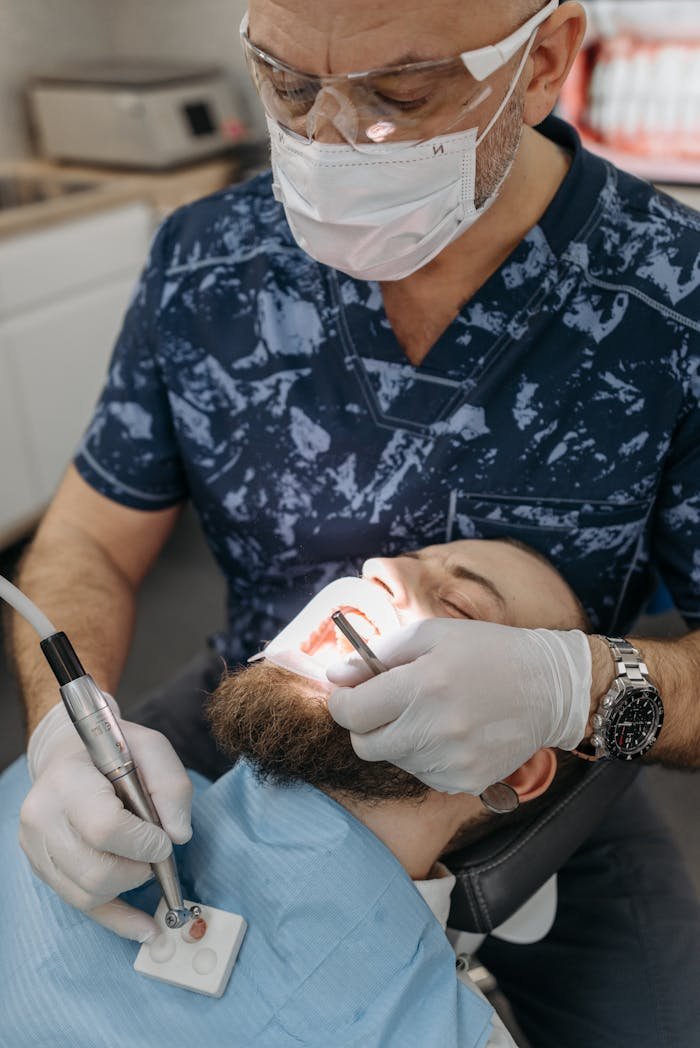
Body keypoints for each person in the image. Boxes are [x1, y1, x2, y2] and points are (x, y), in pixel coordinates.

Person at [7, 0, 699, 1044]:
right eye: (287, 82)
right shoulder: (207, 266)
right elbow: (89, 538)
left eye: (400, 91)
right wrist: (70, 733)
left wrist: (577, 687)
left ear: (546, 56)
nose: (330, 136)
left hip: (546, 759)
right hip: (252, 707)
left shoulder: (672, 304)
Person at [2, 538, 597, 1047]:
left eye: (460, 603)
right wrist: (55, 735)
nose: (378, 570)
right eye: (398, 560)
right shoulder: (68, 792)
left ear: (514, 769)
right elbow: (87, 539)